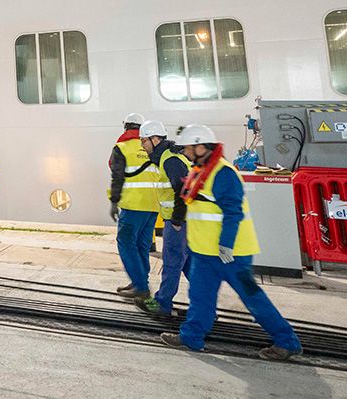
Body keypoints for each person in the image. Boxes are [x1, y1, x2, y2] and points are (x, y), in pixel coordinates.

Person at [161, 125, 302, 361]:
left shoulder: (224, 173)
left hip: (232, 254)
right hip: (205, 252)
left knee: (252, 298)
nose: (184, 152)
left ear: (200, 146)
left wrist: (226, 245)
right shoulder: (199, 171)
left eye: (187, 148)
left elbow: (233, 213)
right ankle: (191, 337)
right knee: (199, 296)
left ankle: (287, 341)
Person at [136, 120, 189, 316]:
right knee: (189, 265)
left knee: (172, 261)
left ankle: (163, 303)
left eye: (144, 140)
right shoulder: (168, 157)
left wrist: (176, 220)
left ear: (155, 139)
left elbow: (182, 190)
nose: (142, 145)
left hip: (178, 222)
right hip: (185, 221)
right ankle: (204, 306)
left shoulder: (170, 160)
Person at [109, 113, 161, 300]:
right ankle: (140, 280)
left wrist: (114, 201)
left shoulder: (122, 147)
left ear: (125, 127)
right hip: (154, 205)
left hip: (133, 204)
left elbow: (117, 176)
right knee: (142, 244)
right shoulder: (152, 147)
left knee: (125, 243)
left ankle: (140, 286)